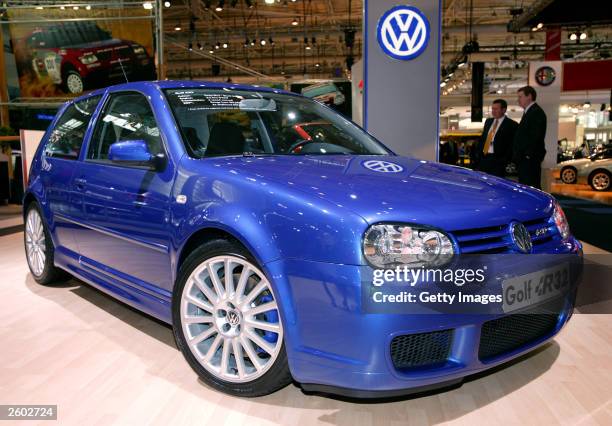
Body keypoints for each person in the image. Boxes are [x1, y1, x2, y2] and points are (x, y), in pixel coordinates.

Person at [513, 86, 547, 189]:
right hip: (526, 159)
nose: (518, 100)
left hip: (530, 160)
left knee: (531, 186)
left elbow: (535, 136)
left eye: (520, 97)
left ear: (530, 96)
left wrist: (527, 155)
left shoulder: (536, 112)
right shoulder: (528, 112)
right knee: (526, 185)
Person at [475, 99, 518, 177]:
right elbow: (483, 138)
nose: (493, 111)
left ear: (504, 110)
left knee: (496, 184)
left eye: (496, 109)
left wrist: (505, 160)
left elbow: (512, 144)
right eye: (492, 109)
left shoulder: (511, 125)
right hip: (484, 158)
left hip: (498, 161)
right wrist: (478, 153)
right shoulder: (488, 121)